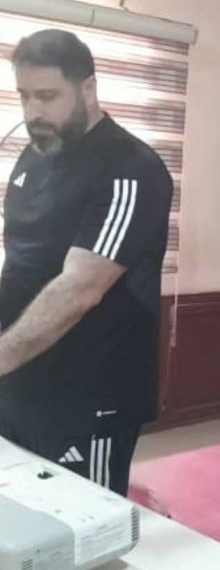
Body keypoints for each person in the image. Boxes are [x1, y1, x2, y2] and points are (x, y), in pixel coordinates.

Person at [0, 29, 173, 497]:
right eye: (24, 96)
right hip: (20, 382)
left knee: (85, 525)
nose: (33, 112)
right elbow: (21, 261)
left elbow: (80, 288)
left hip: (88, 396)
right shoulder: (33, 157)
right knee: (19, 514)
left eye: (47, 96)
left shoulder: (130, 170)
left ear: (89, 88)